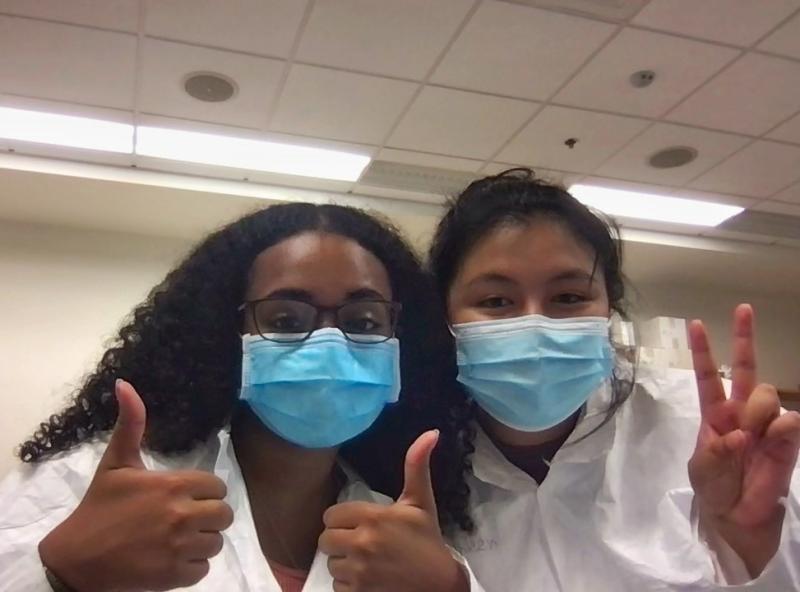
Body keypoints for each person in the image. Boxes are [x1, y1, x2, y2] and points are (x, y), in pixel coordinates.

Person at [0, 203, 476, 592]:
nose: (329, 343)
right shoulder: (86, 485)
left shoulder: (400, 532)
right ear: (227, 333)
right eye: (287, 321)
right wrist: (62, 576)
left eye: (364, 322)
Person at [424, 168, 800, 591]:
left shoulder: (718, 432)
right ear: (444, 317)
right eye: (496, 301)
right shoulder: (415, 467)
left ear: (608, 309)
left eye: (568, 297)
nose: (536, 324)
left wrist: (749, 545)